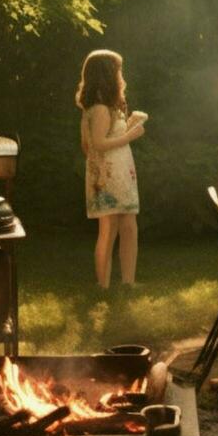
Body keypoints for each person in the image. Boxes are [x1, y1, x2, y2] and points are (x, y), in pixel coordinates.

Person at [77, 49, 144, 290]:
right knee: (112, 227)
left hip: (114, 172)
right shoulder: (101, 109)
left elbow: (88, 145)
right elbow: (98, 144)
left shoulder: (97, 108)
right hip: (110, 175)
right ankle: (104, 284)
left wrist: (128, 126)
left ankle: (125, 281)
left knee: (124, 225)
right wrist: (131, 135)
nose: (120, 75)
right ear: (107, 75)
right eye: (117, 70)